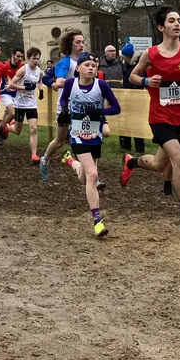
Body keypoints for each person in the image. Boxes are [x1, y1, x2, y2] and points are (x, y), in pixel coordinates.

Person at [120, 6, 180, 229]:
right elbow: (133, 76)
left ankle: (132, 162)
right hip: (161, 117)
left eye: (179, 20)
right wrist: (146, 81)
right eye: (171, 21)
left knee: (162, 163)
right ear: (161, 27)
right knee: (179, 159)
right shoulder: (151, 54)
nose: (177, 24)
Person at [59, 52, 122, 236]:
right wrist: (64, 109)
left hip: (95, 135)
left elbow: (116, 108)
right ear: (78, 68)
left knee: (86, 178)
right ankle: (97, 220)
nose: (91, 68)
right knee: (93, 175)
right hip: (77, 135)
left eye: (93, 65)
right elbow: (63, 98)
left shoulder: (101, 85)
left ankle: (71, 161)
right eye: (87, 65)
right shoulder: (70, 84)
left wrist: (100, 112)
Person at [40, 28, 86, 180]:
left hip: (82, 106)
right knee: (59, 141)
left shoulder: (85, 60)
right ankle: (45, 159)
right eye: (78, 42)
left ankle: (88, 171)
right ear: (70, 44)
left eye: (83, 42)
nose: (81, 45)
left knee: (83, 139)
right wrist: (79, 83)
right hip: (66, 107)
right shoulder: (66, 62)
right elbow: (59, 81)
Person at [8, 47, 43, 162]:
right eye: (34, 58)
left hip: (31, 104)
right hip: (20, 104)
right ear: (28, 58)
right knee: (17, 131)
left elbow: (39, 81)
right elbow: (11, 84)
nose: (36, 61)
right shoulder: (23, 70)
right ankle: (7, 127)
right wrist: (25, 87)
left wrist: (41, 90)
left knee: (34, 129)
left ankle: (34, 155)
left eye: (37, 59)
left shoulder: (39, 71)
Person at [117, 43, 146, 156]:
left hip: (137, 99)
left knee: (137, 123)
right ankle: (126, 145)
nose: (122, 58)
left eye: (123, 56)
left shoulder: (138, 66)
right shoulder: (126, 65)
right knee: (125, 121)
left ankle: (139, 147)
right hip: (126, 97)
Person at [0, 47, 26, 142]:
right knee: (13, 113)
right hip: (5, 92)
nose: (20, 59)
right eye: (18, 56)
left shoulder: (23, 67)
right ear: (13, 56)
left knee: (7, 115)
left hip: (17, 94)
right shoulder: (5, 66)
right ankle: (1, 130)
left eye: (22, 57)